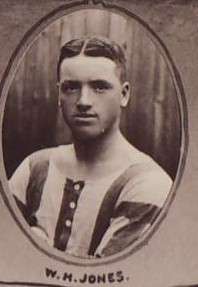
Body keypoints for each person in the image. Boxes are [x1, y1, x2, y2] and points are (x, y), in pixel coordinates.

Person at [9, 36, 172, 258]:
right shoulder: (34, 168)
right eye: (71, 87)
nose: (83, 101)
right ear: (59, 94)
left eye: (99, 87)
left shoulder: (148, 183)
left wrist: (35, 248)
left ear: (124, 95)